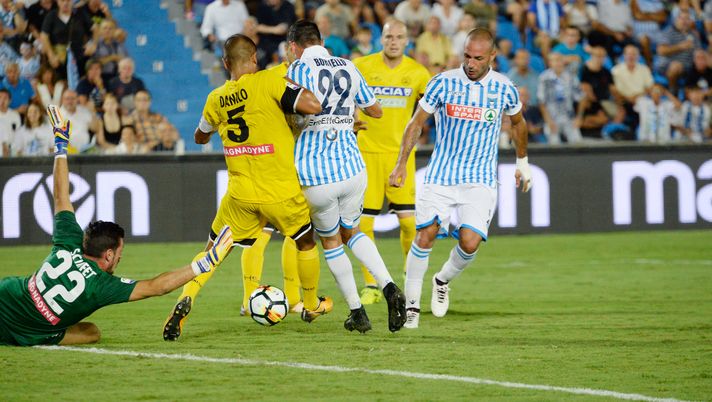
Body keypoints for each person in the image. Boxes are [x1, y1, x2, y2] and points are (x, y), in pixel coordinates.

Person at [0, 114, 234, 346]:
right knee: (91, 332)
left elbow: (61, 195)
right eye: (119, 254)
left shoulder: (71, 240)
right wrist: (207, 261)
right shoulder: (101, 285)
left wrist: (61, 145)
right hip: (28, 330)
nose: (120, 259)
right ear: (108, 255)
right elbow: (156, 287)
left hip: (7, 293)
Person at [162, 33, 328, 341]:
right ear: (254, 59)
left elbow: (200, 136)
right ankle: (310, 304)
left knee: (213, 251)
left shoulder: (215, 98)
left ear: (225, 63)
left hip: (239, 193)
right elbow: (312, 105)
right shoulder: (269, 81)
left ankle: (184, 300)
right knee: (306, 242)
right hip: (279, 189)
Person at [388, 28, 532, 329]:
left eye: (478, 58)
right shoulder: (443, 83)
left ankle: (442, 281)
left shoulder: (504, 88)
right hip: (441, 174)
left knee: (470, 242)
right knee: (425, 234)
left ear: (492, 56)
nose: (470, 63)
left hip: (479, 178)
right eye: (467, 55)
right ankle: (411, 308)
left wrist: (523, 162)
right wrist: (401, 164)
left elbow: (518, 124)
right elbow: (416, 124)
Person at [286, 19, 407, 333]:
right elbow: (376, 110)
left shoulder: (298, 68)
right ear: (321, 40)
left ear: (295, 45)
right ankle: (390, 287)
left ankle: (357, 311)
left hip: (316, 171)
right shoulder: (349, 67)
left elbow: (291, 111)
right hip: (353, 166)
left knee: (330, 240)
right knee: (352, 231)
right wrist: (345, 115)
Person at [352, 19, 430, 305]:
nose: (393, 41)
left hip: (400, 159)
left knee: (410, 225)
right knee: (363, 225)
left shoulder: (418, 73)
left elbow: (428, 112)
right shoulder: (361, 67)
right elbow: (345, 98)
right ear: (381, 39)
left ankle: (411, 284)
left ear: (407, 41)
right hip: (366, 155)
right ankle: (371, 285)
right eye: (388, 36)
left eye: (399, 37)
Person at [537, 52, 582, 144]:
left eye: (559, 60)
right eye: (554, 60)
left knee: (578, 143)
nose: (557, 63)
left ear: (563, 61)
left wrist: (579, 117)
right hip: (552, 117)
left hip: (569, 117)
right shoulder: (544, 77)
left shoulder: (571, 76)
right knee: (554, 144)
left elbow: (581, 97)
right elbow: (541, 102)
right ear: (550, 63)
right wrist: (548, 121)